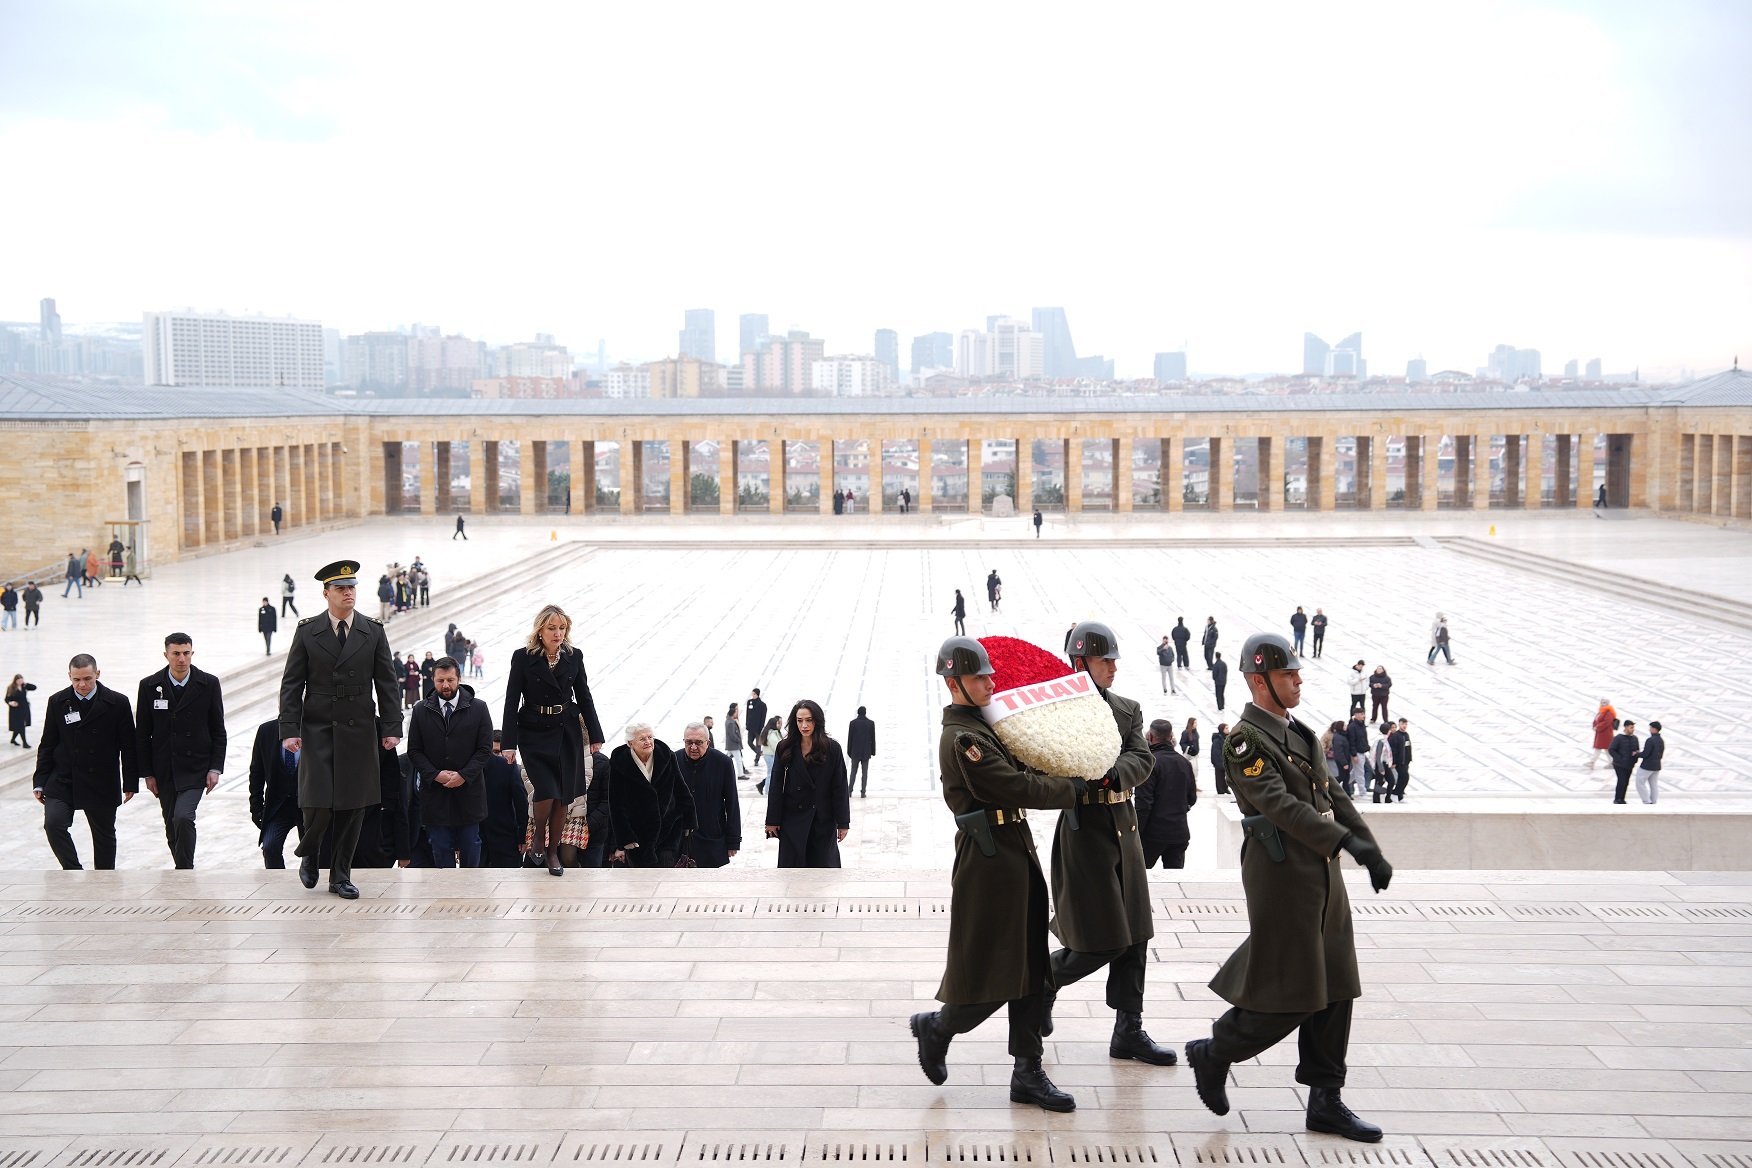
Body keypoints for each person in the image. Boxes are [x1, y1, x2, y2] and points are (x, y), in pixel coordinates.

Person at [1185, 632, 1393, 1143]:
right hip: (1282, 873)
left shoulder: (1297, 730)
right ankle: (1215, 1051)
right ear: (1259, 681)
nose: (1298, 681)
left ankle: (1326, 1099)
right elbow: (1283, 806)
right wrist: (1346, 841)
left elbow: (1333, 794)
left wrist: (1367, 846)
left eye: (1297, 673)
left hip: (1322, 868)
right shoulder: (1244, 742)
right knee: (1296, 988)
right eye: (1287, 675)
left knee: (1338, 984)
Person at [909, 635, 1085, 1112]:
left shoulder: (987, 727)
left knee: (1032, 967)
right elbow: (1010, 784)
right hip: (988, 859)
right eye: (979, 676)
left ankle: (1027, 1071)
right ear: (953, 683)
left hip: (1013, 849)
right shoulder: (964, 738)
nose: (990, 681)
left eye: (989, 673)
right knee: (1001, 968)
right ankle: (940, 1026)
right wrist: (1070, 786)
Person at [1042, 620, 1176, 1064]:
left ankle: (1128, 1030)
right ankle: (1042, 983)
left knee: (1135, 935)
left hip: (1125, 827)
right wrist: (1082, 772)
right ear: (1080, 662)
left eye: (1115, 660)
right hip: (1085, 831)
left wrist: (1112, 771)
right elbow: (1045, 767)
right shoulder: (1054, 712)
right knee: (1099, 941)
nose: (1113, 668)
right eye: (1105, 660)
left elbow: (1141, 758)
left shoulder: (1127, 709)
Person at [279, 559, 403, 900]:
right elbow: (292, 684)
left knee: (353, 805)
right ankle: (311, 849)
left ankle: (340, 876)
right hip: (318, 726)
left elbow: (387, 683)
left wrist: (391, 726)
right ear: (326, 594)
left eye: (351, 587)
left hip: (359, 726)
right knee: (316, 799)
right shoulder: (307, 631)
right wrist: (289, 728)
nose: (348, 593)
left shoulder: (372, 630)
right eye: (340, 588)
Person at [501, 604, 606, 877]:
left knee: (563, 796)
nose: (558, 633)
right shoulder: (523, 657)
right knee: (546, 789)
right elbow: (512, 700)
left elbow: (584, 696)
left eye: (562, 628)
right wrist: (508, 743)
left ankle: (551, 851)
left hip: (566, 730)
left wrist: (595, 735)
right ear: (540, 630)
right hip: (533, 731)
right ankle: (538, 839)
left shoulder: (574, 656)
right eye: (552, 628)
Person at [34, 653, 138, 870]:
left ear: (97, 674)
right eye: (76, 679)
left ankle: (104, 880)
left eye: (87, 679)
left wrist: (130, 783)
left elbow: (128, 747)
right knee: (53, 824)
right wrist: (40, 780)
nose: (82, 684)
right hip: (63, 778)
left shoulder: (118, 703)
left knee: (104, 836)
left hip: (101, 779)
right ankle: (73, 871)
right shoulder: (57, 701)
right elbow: (48, 744)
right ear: (69, 677)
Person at [135, 632, 227, 869]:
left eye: (186, 653)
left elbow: (218, 730)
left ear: (192, 653)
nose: (181, 659)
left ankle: (185, 870)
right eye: (176, 653)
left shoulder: (208, 684)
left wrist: (215, 768)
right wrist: (147, 773)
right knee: (171, 824)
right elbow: (143, 734)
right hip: (164, 768)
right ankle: (182, 868)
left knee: (183, 817)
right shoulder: (149, 686)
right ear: (166, 655)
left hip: (196, 767)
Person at [408, 657, 493, 868]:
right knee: (439, 845)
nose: (446, 685)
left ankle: (470, 895)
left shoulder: (478, 708)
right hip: (435, 794)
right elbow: (414, 751)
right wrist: (435, 774)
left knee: (471, 845)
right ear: (432, 680)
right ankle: (445, 894)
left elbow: (484, 750)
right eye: (440, 680)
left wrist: (463, 775)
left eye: (450, 680)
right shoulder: (420, 710)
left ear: (459, 679)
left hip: (469, 793)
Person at [764, 699, 851, 867]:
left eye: (809, 720)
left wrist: (843, 822)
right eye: (799, 720)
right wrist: (772, 820)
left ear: (817, 721)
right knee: (792, 872)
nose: (804, 725)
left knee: (822, 872)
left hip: (823, 820)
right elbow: (776, 786)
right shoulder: (785, 747)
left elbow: (839, 788)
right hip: (792, 820)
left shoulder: (832, 748)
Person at [605, 722, 696, 866]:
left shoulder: (666, 755)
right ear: (630, 743)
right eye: (642, 739)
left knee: (666, 874)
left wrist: (690, 821)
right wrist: (625, 838)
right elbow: (615, 803)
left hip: (668, 827)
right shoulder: (619, 762)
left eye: (650, 737)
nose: (648, 742)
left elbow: (681, 788)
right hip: (637, 835)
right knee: (642, 881)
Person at [677, 722, 740, 867]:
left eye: (698, 743)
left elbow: (732, 803)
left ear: (708, 742)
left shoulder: (723, 763)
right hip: (679, 840)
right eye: (689, 742)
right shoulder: (674, 760)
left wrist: (733, 840)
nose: (693, 747)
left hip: (711, 838)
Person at [1137, 718, 1197, 868]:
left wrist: (1137, 831)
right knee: (1175, 881)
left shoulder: (1149, 763)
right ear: (1171, 737)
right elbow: (1192, 798)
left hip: (1152, 834)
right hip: (1178, 832)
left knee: (1142, 879)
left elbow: (1143, 803)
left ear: (1150, 737)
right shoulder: (1184, 763)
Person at [248, 717, 302, 868]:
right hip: (279, 806)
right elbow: (256, 772)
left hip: (309, 805)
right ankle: (276, 884)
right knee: (270, 847)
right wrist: (257, 809)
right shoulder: (266, 730)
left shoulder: (316, 729)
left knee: (313, 852)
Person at [480, 732, 530, 868]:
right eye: (495, 752)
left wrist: (522, 837)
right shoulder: (477, 769)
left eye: (503, 753)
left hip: (507, 840)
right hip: (479, 840)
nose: (500, 757)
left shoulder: (513, 769)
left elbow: (522, 805)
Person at [1608, 719, 1640, 804]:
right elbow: (1611, 749)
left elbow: (1637, 750)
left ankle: (1622, 799)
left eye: (1633, 727)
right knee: (1621, 781)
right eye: (1631, 727)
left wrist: (1635, 759)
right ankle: (1617, 799)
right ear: (1625, 727)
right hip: (1619, 765)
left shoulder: (1635, 738)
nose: (1632, 729)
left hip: (1630, 764)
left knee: (1626, 782)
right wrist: (1619, 759)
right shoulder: (1619, 738)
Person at [847, 705, 876, 797]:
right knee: (865, 773)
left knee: (853, 772)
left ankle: (849, 791)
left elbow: (850, 739)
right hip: (866, 752)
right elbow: (872, 738)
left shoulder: (853, 723)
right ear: (865, 712)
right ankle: (863, 792)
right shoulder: (870, 723)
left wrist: (849, 751)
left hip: (855, 752)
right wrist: (873, 751)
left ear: (858, 713)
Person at [1635, 720, 1665, 804]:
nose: (1649, 729)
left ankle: (1646, 801)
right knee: (1653, 784)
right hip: (1657, 766)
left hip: (1647, 766)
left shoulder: (1650, 740)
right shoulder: (1661, 740)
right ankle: (1653, 801)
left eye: (1651, 728)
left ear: (1655, 729)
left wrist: (1637, 754)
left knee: (1639, 782)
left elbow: (1645, 754)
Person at [8, 674, 38, 748]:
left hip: (24, 709)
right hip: (15, 710)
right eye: (19, 681)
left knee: (20, 726)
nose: (20, 682)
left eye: (22, 680)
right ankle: (25, 743)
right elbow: (7, 699)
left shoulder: (24, 686)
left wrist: (26, 684)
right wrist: (10, 702)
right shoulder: (11, 688)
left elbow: (34, 687)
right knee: (21, 726)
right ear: (15, 681)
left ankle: (12, 740)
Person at [1368, 722, 1396, 804]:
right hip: (1381, 764)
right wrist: (1381, 768)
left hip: (1384, 764)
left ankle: (1386, 798)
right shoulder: (1381, 741)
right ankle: (1377, 799)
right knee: (1380, 782)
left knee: (1387, 781)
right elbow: (1378, 756)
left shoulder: (1384, 739)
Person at [755, 716, 782, 794]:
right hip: (770, 755)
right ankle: (767, 790)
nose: (779, 725)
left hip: (770, 755)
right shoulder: (772, 733)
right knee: (771, 773)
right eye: (777, 723)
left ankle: (764, 787)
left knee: (772, 772)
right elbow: (775, 745)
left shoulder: (773, 732)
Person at [1388, 718, 1413, 802]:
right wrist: (1394, 761)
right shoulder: (1396, 736)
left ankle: (1400, 796)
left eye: (1406, 724)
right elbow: (1393, 750)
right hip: (1399, 762)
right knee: (1405, 777)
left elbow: (1408, 747)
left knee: (1402, 778)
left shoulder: (1406, 735)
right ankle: (1395, 793)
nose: (1404, 726)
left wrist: (1409, 759)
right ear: (1399, 724)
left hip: (1405, 761)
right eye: (1403, 724)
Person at [1345, 710, 1369, 796]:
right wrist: (1354, 754)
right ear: (1356, 715)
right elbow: (1352, 741)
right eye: (1361, 714)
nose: (1363, 716)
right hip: (1357, 753)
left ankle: (1340, 786)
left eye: (1363, 714)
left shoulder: (1362, 725)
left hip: (1362, 751)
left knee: (1355, 772)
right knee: (1360, 772)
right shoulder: (1352, 727)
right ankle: (1362, 792)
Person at [1588, 700, 1617, 770]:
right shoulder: (1601, 711)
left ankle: (1592, 762)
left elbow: (1607, 722)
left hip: (1605, 734)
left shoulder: (1609, 712)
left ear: (1608, 704)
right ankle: (1612, 762)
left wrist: (1597, 727)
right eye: (1601, 703)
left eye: (1604, 703)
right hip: (1601, 733)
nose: (1602, 704)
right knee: (1606, 749)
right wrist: (1594, 726)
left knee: (1600, 748)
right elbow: (1596, 720)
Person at [746, 689, 768, 772]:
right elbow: (747, 714)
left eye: (754, 694)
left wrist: (761, 727)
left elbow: (763, 717)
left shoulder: (762, 705)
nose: (753, 695)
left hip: (758, 728)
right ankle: (758, 752)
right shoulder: (749, 702)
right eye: (752, 694)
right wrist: (747, 724)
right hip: (750, 727)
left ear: (757, 694)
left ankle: (756, 759)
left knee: (758, 744)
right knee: (749, 742)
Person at [724, 702, 746, 779]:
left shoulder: (730, 721)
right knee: (738, 760)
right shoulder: (730, 722)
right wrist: (738, 740)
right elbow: (732, 734)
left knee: (727, 758)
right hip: (733, 745)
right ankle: (740, 774)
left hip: (732, 745)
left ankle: (720, 768)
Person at [1210, 721, 1230, 795]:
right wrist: (1219, 763)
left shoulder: (1227, 738)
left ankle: (1225, 788)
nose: (1228, 730)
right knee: (1219, 777)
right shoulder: (1217, 740)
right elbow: (1215, 753)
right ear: (1222, 729)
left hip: (1226, 761)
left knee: (1226, 777)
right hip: (1219, 762)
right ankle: (1221, 790)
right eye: (1226, 728)